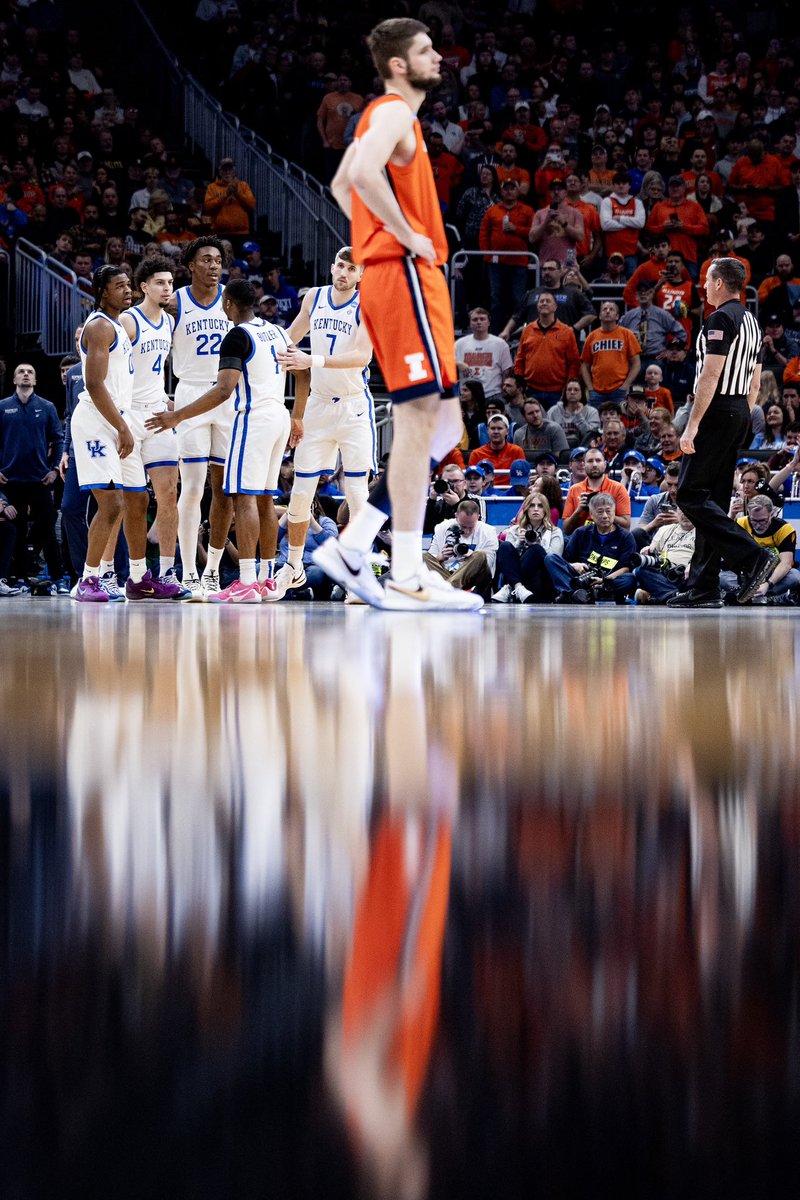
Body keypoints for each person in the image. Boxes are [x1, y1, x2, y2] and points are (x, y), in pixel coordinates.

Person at [311, 18, 482, 612]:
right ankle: (407, 572)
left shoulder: (389, 118)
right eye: (427, 50)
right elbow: (359, 177)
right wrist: (403, 235)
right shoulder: (391, 111)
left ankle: (355, 544)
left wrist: (376, 234)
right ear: (399, 64)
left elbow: (341, 185)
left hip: (410, 278)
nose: (439, 57)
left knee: (445, 429)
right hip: (405, 275)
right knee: (416, 422)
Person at [147, 279, 292, 602]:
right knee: (265, 498)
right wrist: (298, 416)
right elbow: (304, 370)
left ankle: (247, 581)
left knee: (243, 497)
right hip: (280, 414)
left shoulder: (237, 335)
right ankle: (266, 579)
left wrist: (177, 415)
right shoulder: (278, 332)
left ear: (227, 303)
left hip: (252, 417)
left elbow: (224, 390)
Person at [670, 257, 774, 608]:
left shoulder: (720, 318)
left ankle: (753, 556)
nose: (703, 286)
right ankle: (704, 586)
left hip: (717, 410)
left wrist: (693, 424)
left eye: (706, 281)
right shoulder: (753, 322)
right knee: (711, 500)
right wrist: (741, 417)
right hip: (740, 409)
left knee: (688, 493)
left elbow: (710, 375)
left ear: (718, 283)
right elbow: (756, 382)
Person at [273, 247, 376, 599]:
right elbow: (290, 337)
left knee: (357, 493)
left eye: (352, 268)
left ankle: (358, 575)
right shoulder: (314, 298)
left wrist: (311, 360)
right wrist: (264, 346)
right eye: (341, 266)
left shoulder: (366, 305)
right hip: (318, 406)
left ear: (361, 275)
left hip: (353, 407)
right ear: (332, 267)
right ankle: (293, 567)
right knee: (301, 492)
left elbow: (361, 355)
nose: (344, 273)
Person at [68, 267, 145, 602]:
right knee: (111, 504)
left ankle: (134, 578)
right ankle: (88, 580)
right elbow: (95, 385)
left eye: (129, 285)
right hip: (98, 421)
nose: (127, 290)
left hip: (116, 418)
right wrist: (122, 427)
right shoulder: (99, 326)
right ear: (102, 291)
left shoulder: (118, 325)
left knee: (133, 499)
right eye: (119, 286)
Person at [168, 237, 233, 599]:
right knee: (192, 487)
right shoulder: (175, 301)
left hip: (227, 394)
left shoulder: (231, 300)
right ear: (191, 265)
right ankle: (189, 571)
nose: (213, 265)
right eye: (206, 259)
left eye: (218, 260)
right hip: (191, 392)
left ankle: (213, 571)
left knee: (223, 489)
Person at [118, 256, 184, 595]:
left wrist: (172, 401)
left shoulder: (170, 322)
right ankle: (131, 574)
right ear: (143, 286)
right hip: (128, 415)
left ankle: (168, 572)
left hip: (157, 414)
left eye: (170, 283)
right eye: (160, 282)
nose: (167, 288)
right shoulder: (128, 320)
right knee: (132, 500)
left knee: (169, 493)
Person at [0, 363, 66, 590]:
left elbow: (58, 440)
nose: (26, 374)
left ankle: (57, 577)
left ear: (35, 380)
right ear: (14, 380)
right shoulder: (2, 407)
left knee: (48, 522)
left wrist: (55, 469)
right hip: (10, 479)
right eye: (21, 372)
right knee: (16, 529)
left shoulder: (47, 407)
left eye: (30, 372)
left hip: (40, 479)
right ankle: (21, 578)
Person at [544, 492, 636, 603]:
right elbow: (566, 561)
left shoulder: (625, 536)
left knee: (629, 578)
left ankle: (582, 595)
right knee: (551, 558)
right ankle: (574, 593)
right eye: (600, 512)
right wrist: (575, 565)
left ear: (614, 512)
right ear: (591, 514)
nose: (605, 516)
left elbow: (626, 568)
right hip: (580, 579)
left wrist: (603, 580)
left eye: (608, 511)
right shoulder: (580, 533)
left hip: (607, 581)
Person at [479, 177, 535, 333]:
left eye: (512, 188)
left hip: (519, 262)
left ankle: (518, 333)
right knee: (496, 298)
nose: (509, 191)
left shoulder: (527, 210)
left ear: (518, 191)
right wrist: (487, 255)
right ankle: (495, 332)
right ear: (501, 191)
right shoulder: (492, 210)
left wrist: (516, 229)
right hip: (496, 263)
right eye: (506, 188)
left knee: (518, 298)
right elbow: (484, 234)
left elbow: (534, 233)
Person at [492, 490, 564, 603]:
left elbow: (554, 559)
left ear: (545, 510)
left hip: (540, 579)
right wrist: (519, 543)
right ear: (526, 509)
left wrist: (537, 543)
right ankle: (518, 587)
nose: (536, 509)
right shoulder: (514, 530)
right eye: (532, 506)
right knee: (505, 546)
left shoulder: (555, 532)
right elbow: (507, 559)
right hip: (521, 584)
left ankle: (510, 587)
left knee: (536, 549)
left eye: (540, 506)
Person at [512, 292, 580, 409]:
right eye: (541, 301)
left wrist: (567, 387)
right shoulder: (527, 330)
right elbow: (520, 359)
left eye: (548, 301)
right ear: (537, 306)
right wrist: (520, 384)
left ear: (555, 307)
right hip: (531, 390)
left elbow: (574, 363)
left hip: (558, 392)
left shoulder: (567, 332)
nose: (544, 303)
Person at [423, 497, 498, 598]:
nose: (466, 531)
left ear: (478, 517)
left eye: (470, 527)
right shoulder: (442, 527)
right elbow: (432, 558)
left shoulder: (489, 531)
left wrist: (471, 556)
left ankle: (448, 590)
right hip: (446, 573)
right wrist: (441, 557)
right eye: (462, 526)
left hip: (473, 578)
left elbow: (489, 565)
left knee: (480, 555)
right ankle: (451, 590)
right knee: (424, 556)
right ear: (456, 516)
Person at [580, 301, 641, 408]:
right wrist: (590, 388)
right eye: (604, 309)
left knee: (619, 419)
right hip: (596, 391)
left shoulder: (627, 334)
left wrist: (625, 386)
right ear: (600, 316)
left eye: (611, 309)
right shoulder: (592, 336)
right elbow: (585, 365)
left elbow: (636, 363)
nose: (608, 311)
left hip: (619, 390)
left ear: (617, 316)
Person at [632, 507, 697, 604]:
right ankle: (675, 596)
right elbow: (653, 552)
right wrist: (647, 550)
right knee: (641, 570)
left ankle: (659, 597)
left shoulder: (703, 532)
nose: (684, 514)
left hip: (688, 575)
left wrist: (695, 565)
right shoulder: (665, 529)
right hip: (664, 575)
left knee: (702, 573)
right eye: (681, 510)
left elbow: (708, 557)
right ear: (676, 512)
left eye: (688, 510)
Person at [561, 446, 631, 534]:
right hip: (582, 538)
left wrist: (604, 513)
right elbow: (566, 530)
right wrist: (579, 511)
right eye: (590, 461)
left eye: (598, 460)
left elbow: (626, 524)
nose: (594, 464)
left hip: (610, 538)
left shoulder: (618, 488)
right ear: (584, 465)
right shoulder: (574, 489)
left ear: (605, 464)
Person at [454, 306, 513, 401]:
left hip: (493, 394)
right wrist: (458, 364)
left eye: (482, 319)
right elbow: (445, 362)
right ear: (470, 323)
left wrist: (504, 393)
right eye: (475, 319)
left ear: (488, 322)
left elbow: (506, 371)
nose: (478, 322)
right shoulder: (459, 344)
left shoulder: (500, 344)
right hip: (467, 396)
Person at [203, 158, 256, 239]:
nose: (227, 172)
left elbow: (251, 205)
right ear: (220, 172)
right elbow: (208, 207)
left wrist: (237, 193)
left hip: (241, 233)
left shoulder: (243, 186)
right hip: (219, 233)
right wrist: (225, 194)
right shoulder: (212, 187)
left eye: (230, 169)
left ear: (234, 171)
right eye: (224, 170)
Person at [468, 413, 526, 482]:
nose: (496, 432)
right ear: (487, 431)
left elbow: (522, 477)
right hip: (485, 488)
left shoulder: (517, 451)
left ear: (507, 431)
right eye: (493, 428)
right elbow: (471, 479)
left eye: (499, 428)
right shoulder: (476, 454)